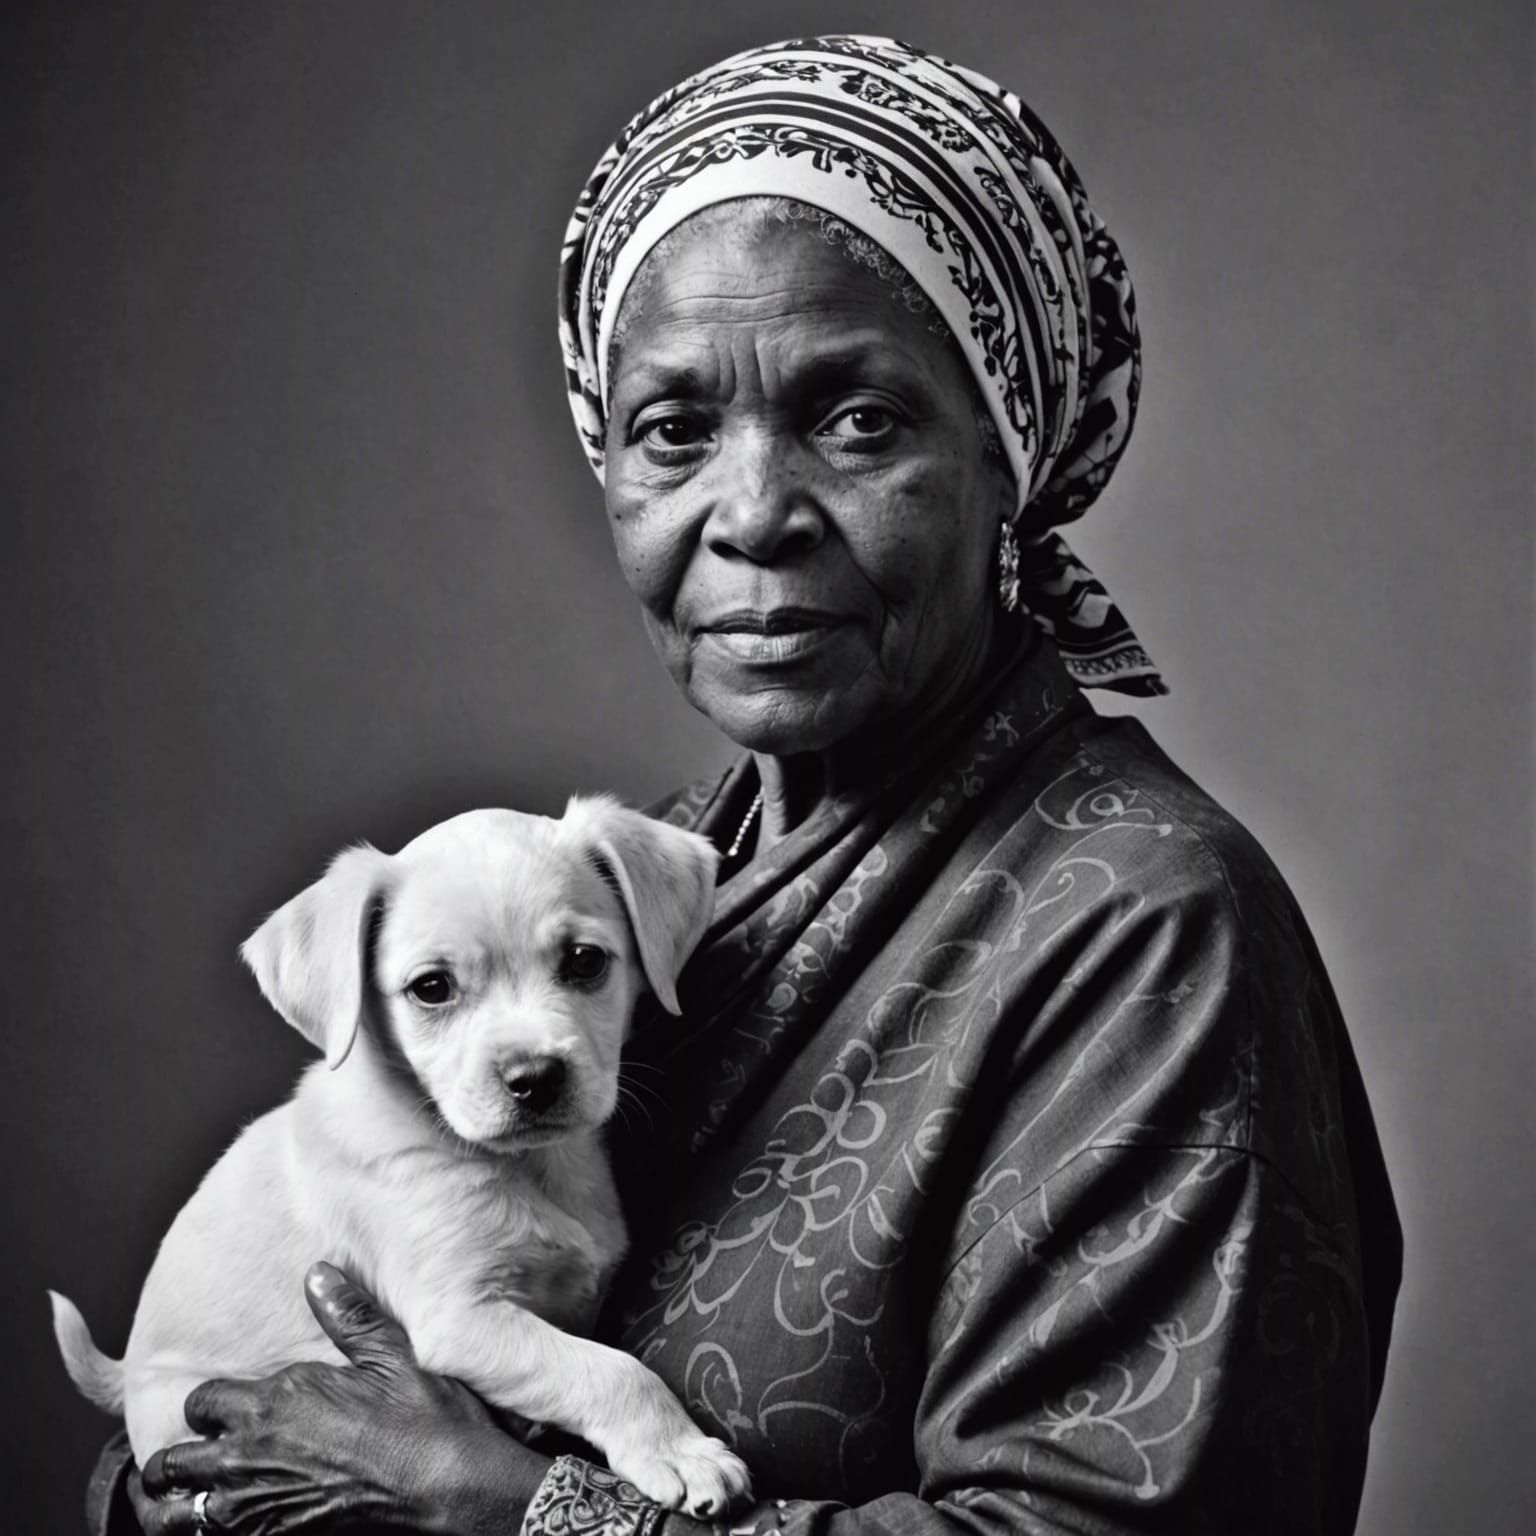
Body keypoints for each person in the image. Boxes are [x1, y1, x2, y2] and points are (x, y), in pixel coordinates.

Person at [99, 34, 1401, 1536]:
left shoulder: (1151, 932)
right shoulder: (658, 867)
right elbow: (265, 1421)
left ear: (1009, 459)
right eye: (674, 431)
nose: (755, 514)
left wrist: (513, 1509)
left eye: (861, 420)